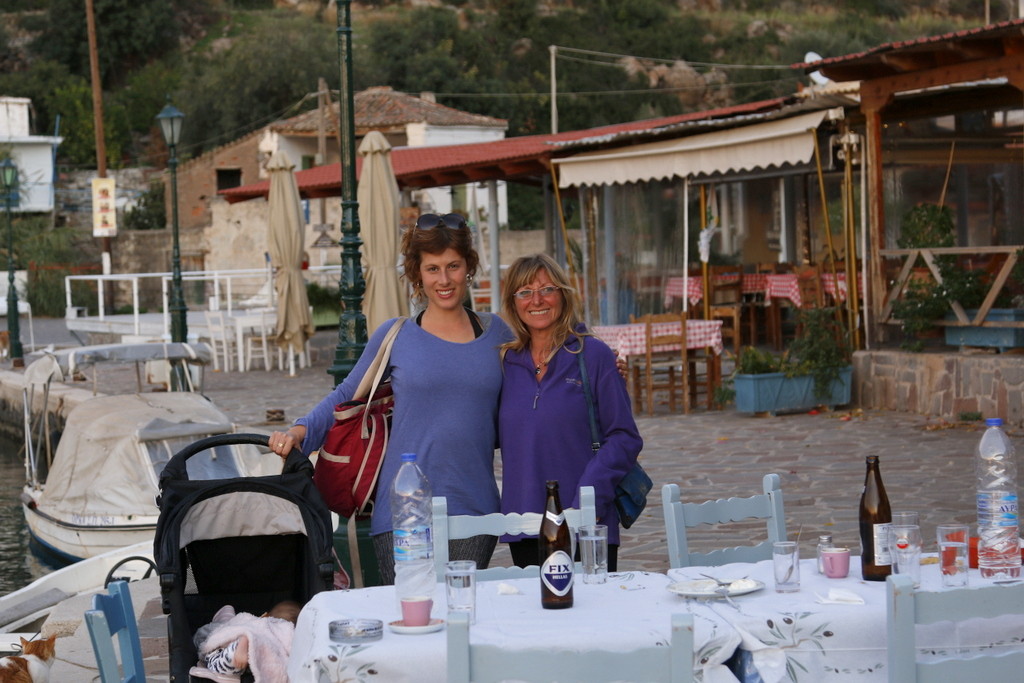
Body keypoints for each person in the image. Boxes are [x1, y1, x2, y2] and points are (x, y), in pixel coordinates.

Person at [268, 213, 512, 582]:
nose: (443, 280)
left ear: (469, 267)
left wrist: (594, 365)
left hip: (474, 506)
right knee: (412, 621)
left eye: (453, 266)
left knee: (461, 613)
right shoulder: (395, 336)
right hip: (402, 510)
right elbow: (347, 394)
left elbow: (538, 386)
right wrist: (301, 431)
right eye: (432, 269)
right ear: (417, 274)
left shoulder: (497, 333)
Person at [498, 253, 642, 571]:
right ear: (513, 302)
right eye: (524, 292)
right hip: (524, 520)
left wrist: (588, 498)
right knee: (535, 617)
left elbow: (624, 437)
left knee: (593, 618)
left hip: (586, 519)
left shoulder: (593, 355)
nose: (536, 300)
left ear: (563, 294)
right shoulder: (505, 363)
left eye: (547, 289)